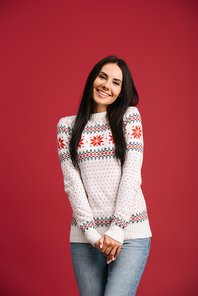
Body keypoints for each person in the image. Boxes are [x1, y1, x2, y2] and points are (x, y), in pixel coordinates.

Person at [57, 56, 152, 296]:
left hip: (129, 233)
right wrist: (91, 234)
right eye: (102, 76)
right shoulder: (66, 127)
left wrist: (117, 229)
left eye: (116, 82)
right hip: (86, 238)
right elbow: (72, 183)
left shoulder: (130, 118)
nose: (106, 85)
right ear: (92, 80)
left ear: (122, 91)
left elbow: (132, 174)